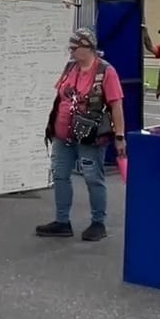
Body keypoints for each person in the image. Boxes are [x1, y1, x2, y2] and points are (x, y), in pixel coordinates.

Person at [35, 28, 127, 242]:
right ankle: (62, 221)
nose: (71, 51)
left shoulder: (106, 71)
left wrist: (120, 136)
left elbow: (116, 105)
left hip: (90, 138)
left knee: (93, 178)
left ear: (87, 48)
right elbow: (62, 96)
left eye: (74, 47)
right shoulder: (70, 67)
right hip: (62, 135)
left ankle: (98, 223)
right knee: (59, 175)